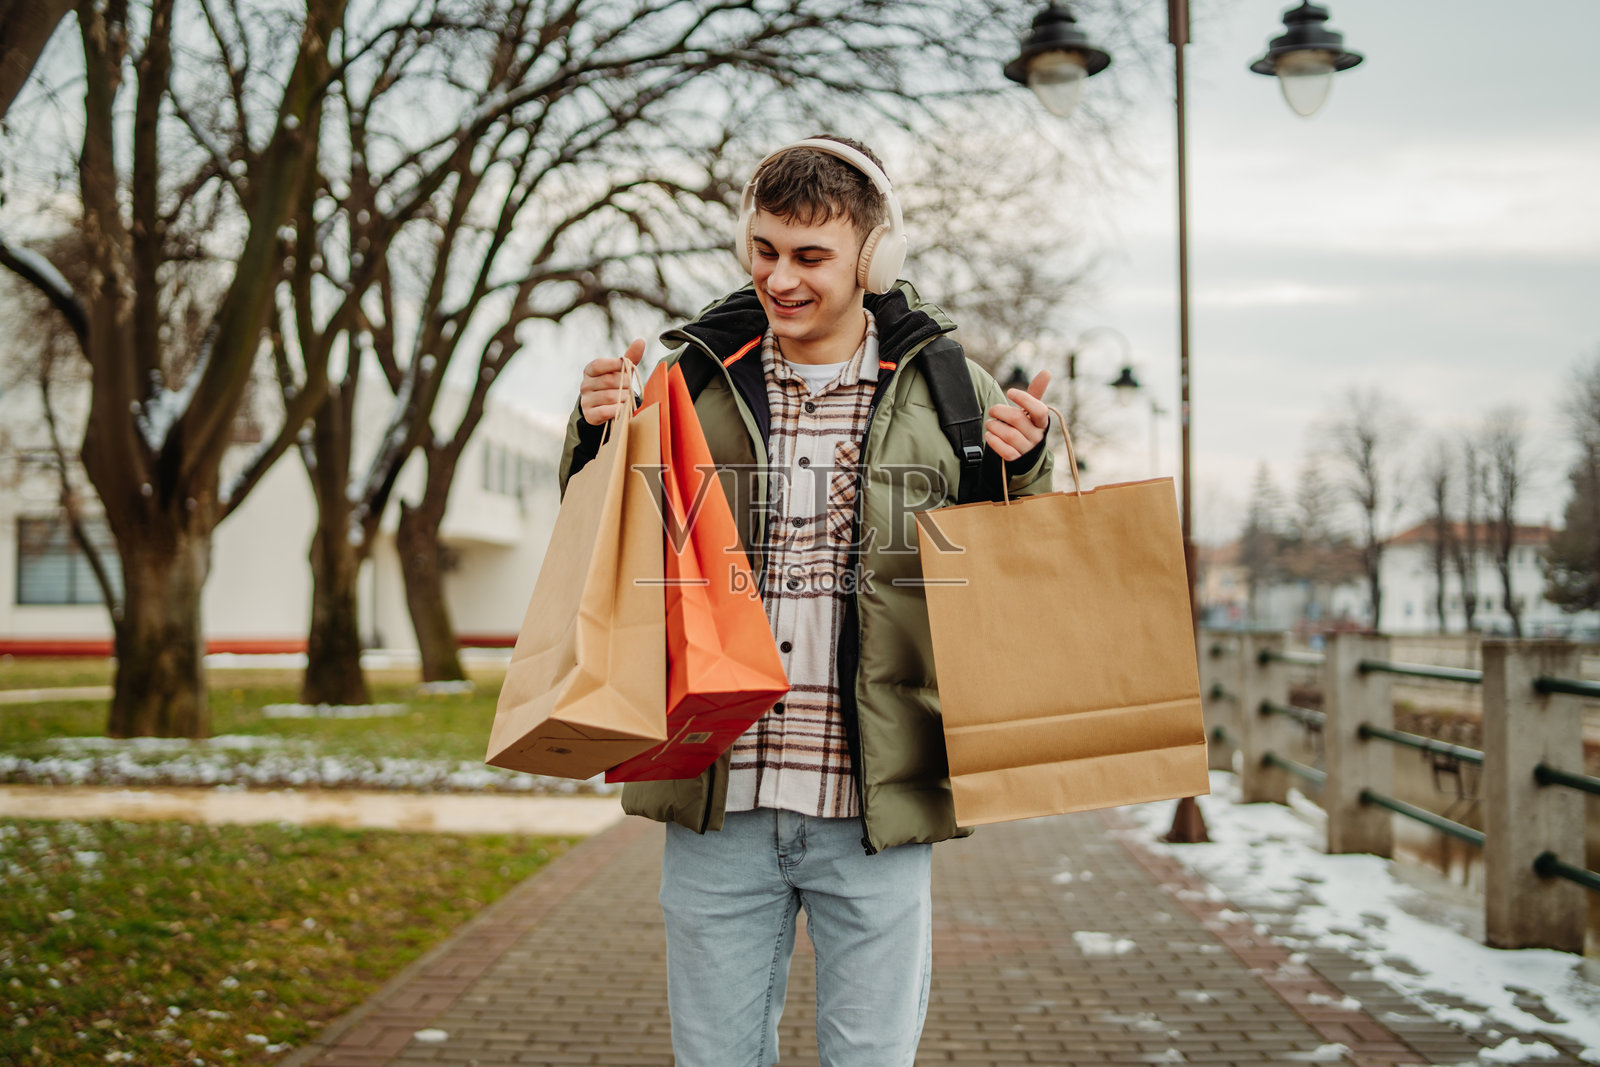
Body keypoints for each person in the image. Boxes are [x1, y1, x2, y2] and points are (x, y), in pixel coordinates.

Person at [560, 136, 1054, 1067]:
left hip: (875, 809)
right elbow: (603, 538)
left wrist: (1025, 466)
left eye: (810, 256)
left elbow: (1028, 565)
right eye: (764, 249)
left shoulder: (953, 391)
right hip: (719, 796)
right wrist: (592, 438)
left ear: (874, 259)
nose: (779, 278)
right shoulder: (687, 380)